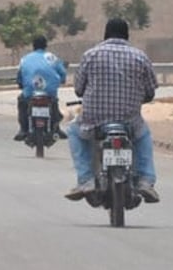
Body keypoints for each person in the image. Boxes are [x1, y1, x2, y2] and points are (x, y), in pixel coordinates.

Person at [65, 18, 160, 203]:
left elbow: (78, 89)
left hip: (93, 121)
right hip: (129, 120)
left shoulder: (91, 55)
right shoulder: (140, 56)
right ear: (127, 35)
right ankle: (146, 181)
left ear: (105, 34)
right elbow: (150, 91)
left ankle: (85, 180)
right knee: (143, 136)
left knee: (73, 132)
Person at [13, 35, 67, 141]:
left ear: (33, 46)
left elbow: (19, 76)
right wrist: (62, 80)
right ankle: (56, 128)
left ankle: (23, 129)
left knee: (22, 102)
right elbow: (63, 73)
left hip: (30, 92)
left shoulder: (25, 59)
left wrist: (20, 84)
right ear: (46, 46)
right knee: (54, 104)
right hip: (49, 92)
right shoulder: (52, 57)